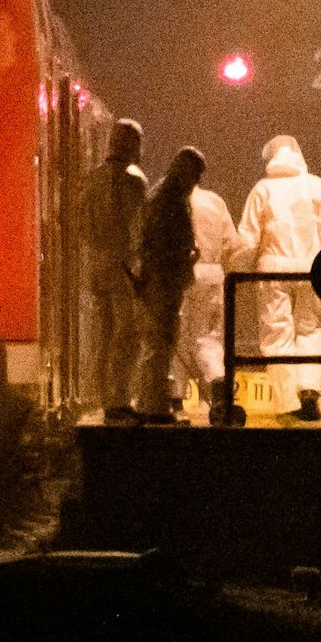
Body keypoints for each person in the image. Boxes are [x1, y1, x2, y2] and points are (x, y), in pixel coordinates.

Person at [238, 134, 321, 421]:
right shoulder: (315, 186)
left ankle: (287, 403)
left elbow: (247, 238)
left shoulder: (262, 189)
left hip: (273, 269)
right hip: (312, 268)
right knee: (311, 329)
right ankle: (309, 393)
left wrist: (237, 271)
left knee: (276, 332)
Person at [126, 148, 202, 423]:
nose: (196, 182)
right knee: (160, 342)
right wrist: (185, 257)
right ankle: (154, 406)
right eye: (196, 175)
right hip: (163, 280)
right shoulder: (169, 199)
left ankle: (151, 402)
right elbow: (162, 244)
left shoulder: (164, 194)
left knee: (159, 343)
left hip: (161, 279)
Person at [82, 119, 147, 423]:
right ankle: (119, 399)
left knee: (104, 334)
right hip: (124, 267)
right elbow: (138, 228)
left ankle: (102, 396)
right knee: (127, 334)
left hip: (97, 265)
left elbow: (80, 222)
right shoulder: (134, 180)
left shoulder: (91, 179)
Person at [172, 147, 242, 418]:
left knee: (176, 336)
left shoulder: (170, 201)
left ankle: (175, 397)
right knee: (209, 337)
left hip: (180, 275)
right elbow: (232, 245)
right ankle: (218, 382)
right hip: (213, 275)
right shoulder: (216, 202)